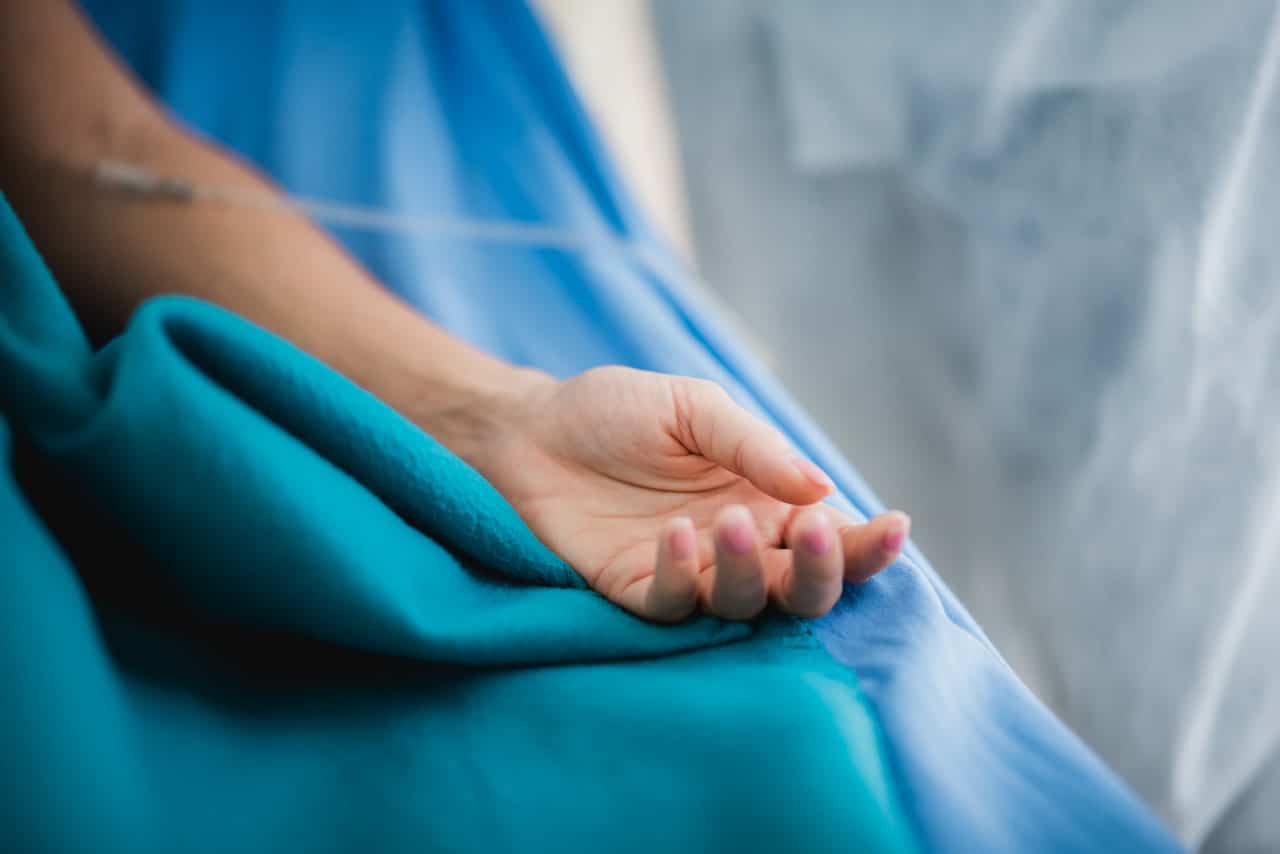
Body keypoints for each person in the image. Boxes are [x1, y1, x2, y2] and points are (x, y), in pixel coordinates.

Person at [0, 0, 909, 623]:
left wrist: (514, 416)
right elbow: (76, 146)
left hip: (478, 129)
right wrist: (491, 418)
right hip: (157, 209)